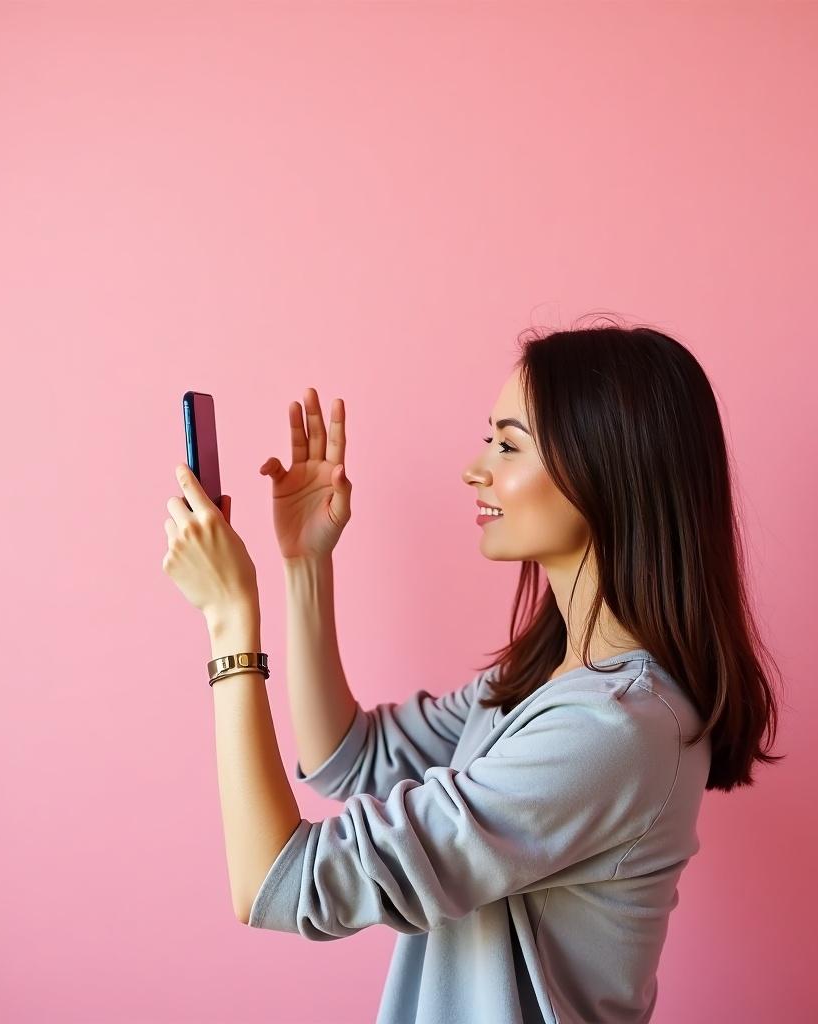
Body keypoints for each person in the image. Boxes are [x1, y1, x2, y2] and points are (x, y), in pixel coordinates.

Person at [168, 314, 785, 1024]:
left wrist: (228, 624)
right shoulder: (545, 679)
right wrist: (307, 564)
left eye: (508, 444)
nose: (476, 467)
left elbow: (281, 883)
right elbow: (348, 756)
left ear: (605, 470)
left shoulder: (613, 729)